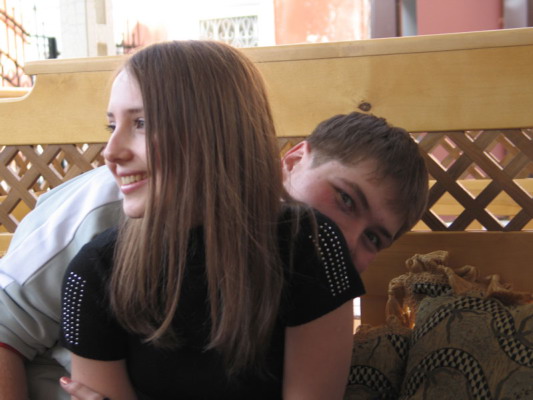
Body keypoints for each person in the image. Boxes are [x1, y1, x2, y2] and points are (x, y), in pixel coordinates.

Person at [0, 83, 428, 400]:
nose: (350, 238)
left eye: (373, 238)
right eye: (345, 198)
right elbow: (5, 328)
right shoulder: (119, 202)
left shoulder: (314, 269)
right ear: (294, 160)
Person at [58, 40, 369, 399]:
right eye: (111, 126)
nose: (111, 152)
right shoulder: (94, 273)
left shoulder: (309, 244)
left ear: (215, 132)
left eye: (141, 123)